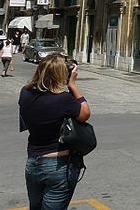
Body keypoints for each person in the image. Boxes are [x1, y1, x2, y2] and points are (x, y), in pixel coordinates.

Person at [19, 54, 91, 209]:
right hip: (57, 164)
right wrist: (72, 85)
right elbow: (85, 113)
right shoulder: (63, 99)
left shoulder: (25, 93)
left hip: (33, 162)